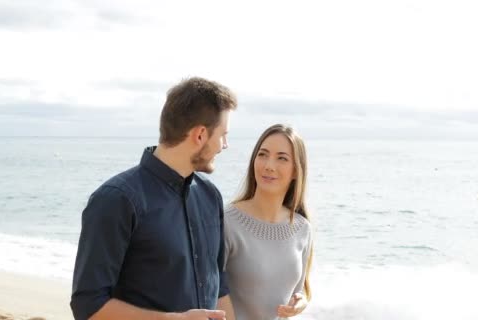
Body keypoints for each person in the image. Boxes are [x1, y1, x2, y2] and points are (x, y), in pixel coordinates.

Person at [70, 77, 237, 320]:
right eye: (223, 135)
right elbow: (88, 306)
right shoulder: (116, 200)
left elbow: (218, 283)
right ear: (200, 134)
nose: (225, 145)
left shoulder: (210, 196)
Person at [219, 124, 314, 320]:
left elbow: (299, 291)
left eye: (282, 158)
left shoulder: (303, 228)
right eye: (262, 154)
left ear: (296, 170)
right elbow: (213, 293)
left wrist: (300, 303)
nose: (269, 165)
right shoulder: (226, 222)